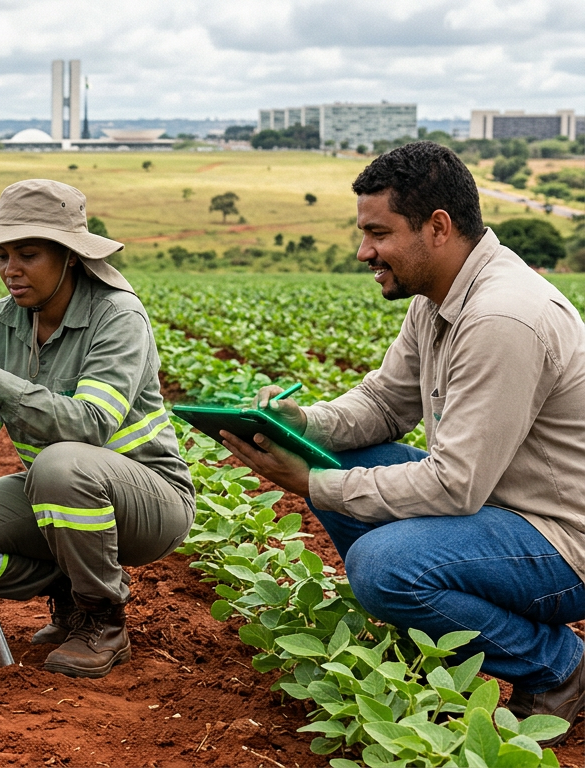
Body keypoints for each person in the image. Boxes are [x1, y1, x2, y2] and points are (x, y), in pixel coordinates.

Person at [223, 141, 585, 746]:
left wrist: (313, 485)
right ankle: (445, 649)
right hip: (502, 517)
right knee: (339, 459)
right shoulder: (438, 298)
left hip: (562, 541)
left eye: (378, 233)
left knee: (384, 566)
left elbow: (454, 483)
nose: (364, 251)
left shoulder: (503, 318)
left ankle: (556, 665)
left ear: (437, 228)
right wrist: (302, 425)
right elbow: (384, 404)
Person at [0, 179, 196, 679]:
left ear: (70, 256)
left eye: (27, 254)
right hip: (58, 491)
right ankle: (65, 586)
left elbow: (90, 426)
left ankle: (102, 619)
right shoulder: (3, 321)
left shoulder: (117, 315)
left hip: (149, 500)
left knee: (59, 463)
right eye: (2, 255)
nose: (9, 270)